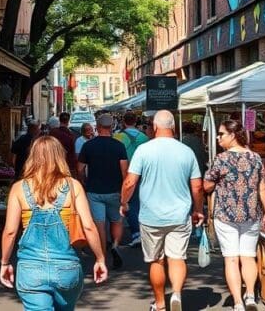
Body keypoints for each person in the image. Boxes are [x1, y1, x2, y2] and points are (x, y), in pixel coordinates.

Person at [0, 135, 108, 309]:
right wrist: (100, 259)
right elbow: (88, 226)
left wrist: (5, 263)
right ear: (60, 156)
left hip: (30, 269)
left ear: (32, 156)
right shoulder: (74, 186)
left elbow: (10, 232)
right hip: (67, 269)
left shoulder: (19, 188)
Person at [121, 110, 204, 311]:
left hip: (151, 216)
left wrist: (124, 202)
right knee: (177, 258)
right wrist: (198, 210)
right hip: (179, 215)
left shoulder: (143, 150)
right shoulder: (186, 151)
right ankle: (176, 294)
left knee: (156, 261)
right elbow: (198, 186)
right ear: (173, 127)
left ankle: (159, 304)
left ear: (155, 126)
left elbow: (130, 181)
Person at [204, 119, 265, 311]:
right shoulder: (256, 158)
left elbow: (207, 185)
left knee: (231, 259)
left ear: (233, 136)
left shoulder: (221, 159)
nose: (218, 138)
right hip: (251, 214)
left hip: (226, 215)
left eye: (221, 134)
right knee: (248, 257)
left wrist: (216, 183)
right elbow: (263, 187)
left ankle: (238, 302)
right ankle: (250, 295)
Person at [78, 113, 128, 269]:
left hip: (94, 190)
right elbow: (124, 171)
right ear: (112, 127)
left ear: (97, 128)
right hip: (114, 189)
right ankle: (115, 245)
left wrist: (82, 181)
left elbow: (80, 168)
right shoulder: (119, 146)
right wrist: (124, 190)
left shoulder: (88, 145)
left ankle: (102, 257)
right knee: (116, 221)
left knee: (99, 224)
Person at [113, 112, 149, 247]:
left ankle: (136, 233)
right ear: (135, 121)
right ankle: (143, 231)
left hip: (125, 173)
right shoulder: (144, 137)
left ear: (123, 122)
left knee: (129, 203)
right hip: (142, 173)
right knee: (140, 202)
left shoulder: (118, 137)